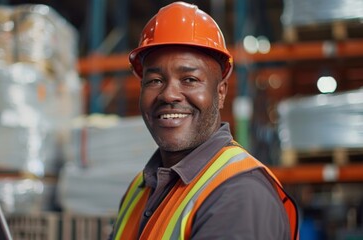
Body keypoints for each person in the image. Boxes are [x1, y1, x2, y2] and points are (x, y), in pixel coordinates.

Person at [110, 2, 299, 239]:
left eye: (189, 79)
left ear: (220, 93)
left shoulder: (238, 194)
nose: (168, 94)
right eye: (155, 80)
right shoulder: (140, 188)